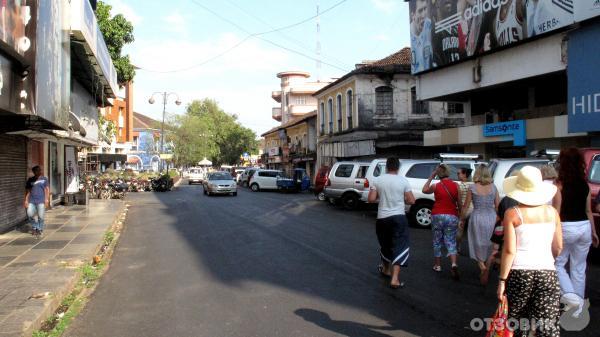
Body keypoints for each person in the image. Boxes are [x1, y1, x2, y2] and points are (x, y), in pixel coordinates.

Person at [497, 165, 563, 337]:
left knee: (519, 322)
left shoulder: (512, 213)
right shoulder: (552, 212)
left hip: (520, 272)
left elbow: (509, 250)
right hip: (547, 271)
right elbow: (558, 247)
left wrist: (502, 280)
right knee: (547, 324)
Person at [553, 148, 599, 316]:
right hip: (584, 227)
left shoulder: (559, 184)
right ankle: (578, 309)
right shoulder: (584, 184)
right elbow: (588, 210)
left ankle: (572, 300)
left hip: (566, 227)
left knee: (557, 264)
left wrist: (552, 233)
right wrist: (594, 232)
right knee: (579, 268)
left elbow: (556, 213)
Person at [368, 157, 415, 289]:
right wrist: (401, 200)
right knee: (400, 245)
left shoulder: (377, 180)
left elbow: (371, 199)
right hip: (399, 217)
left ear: (387, 167)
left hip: (382, 218)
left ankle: (386, 269)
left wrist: (381, 197)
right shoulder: (403, 181)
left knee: (385, 244)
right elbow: (411, 201)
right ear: (398, 167)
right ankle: (395, 279)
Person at [422, 164, 461, 280]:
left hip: (437, 215)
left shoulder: (436, 186)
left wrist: (431, 176)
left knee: (437, 240)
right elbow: (459, 203)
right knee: (451, 241)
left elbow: (424, 190)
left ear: (438, 174)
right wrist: (460, 216)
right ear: (448, 173)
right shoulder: (456, 185)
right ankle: (454, 264)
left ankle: (438, 265)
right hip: (452, 215)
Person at [462, 165, 499, 282]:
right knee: (490, 243)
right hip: (492, 217)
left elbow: (466, 206)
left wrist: (462, 219)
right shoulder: (494, 187)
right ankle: (487, 266)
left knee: (476, 242)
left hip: (477, 217)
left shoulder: (472, 187)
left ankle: (482, 266)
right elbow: (498, 206)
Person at [24, 166, 50, 237]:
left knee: (41, 216)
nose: (38, 172)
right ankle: (35, 226)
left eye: (39, 170)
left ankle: (39, 229)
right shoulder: (30, 180)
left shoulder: (44, 179)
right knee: (29, 214)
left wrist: (47, 199)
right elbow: (28, 191)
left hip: (41, 200)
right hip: (31, 200)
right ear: (34, 172)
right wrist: (26, 200)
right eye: (36, 171)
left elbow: (47, 189)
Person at [410, 0, 434, 72]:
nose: (424, 15)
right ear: (413, 15)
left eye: (425, 9)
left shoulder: (429, 25)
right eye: (420, 11)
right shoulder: (409, 40)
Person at [456, 167, 473, 251]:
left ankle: (457, 247)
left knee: (460, 229)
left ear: (464, 174)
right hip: (472, 209)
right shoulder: (473, 185)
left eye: (459, 173)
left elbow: (458, 199)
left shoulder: (459, 186)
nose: (457, 175)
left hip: (463, 209)